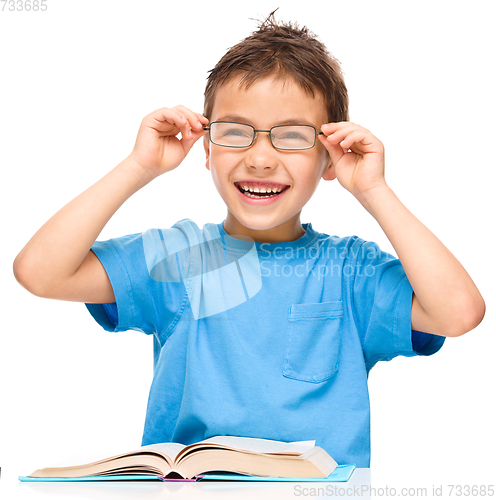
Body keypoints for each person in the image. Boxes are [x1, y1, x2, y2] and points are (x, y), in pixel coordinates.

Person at [13, 11, 485, 468]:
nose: (260, 159)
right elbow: (40, 272)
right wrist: (139, 167)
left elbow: (459, 313)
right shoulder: (178, 258)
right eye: (236, 132)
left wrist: (374, 190)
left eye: (292, 136)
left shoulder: (350, 271)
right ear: (207, 147)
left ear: (329, 157)